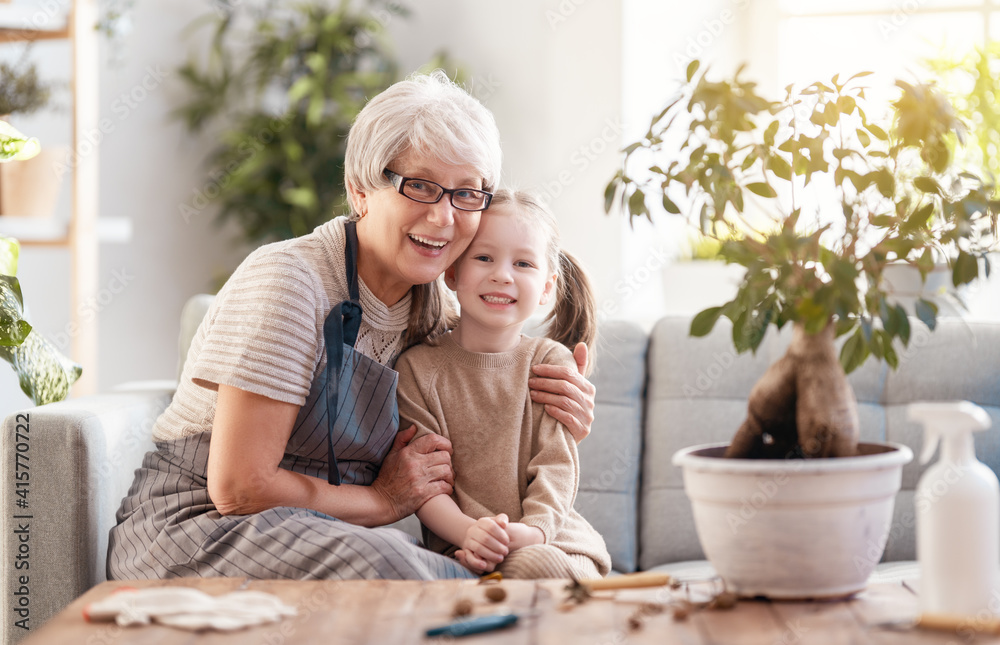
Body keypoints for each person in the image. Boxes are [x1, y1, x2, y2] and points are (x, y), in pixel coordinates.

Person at [106, 71, 597, 582]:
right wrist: (384, 500)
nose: (444, 218)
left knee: (496, 579)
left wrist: (557, 406)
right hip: (202, 528)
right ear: (360, 190)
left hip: (322, 530)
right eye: (421, 186)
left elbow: (489, 402)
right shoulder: (290, 282)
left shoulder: (434, 311)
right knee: (417, 578)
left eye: (467, 193)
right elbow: (238, 489)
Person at [395, 190, 612, 579]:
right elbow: (425, 483)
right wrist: (469, 533)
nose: (502, 274)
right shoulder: (417, 370)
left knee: (541, 570)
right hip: (465, 548)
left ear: (547, 287)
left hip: (557, 542)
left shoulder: (549, 362)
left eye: (524, 263)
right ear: (452, 272)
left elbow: (556, 466)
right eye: (483, 257)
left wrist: (531, 533)